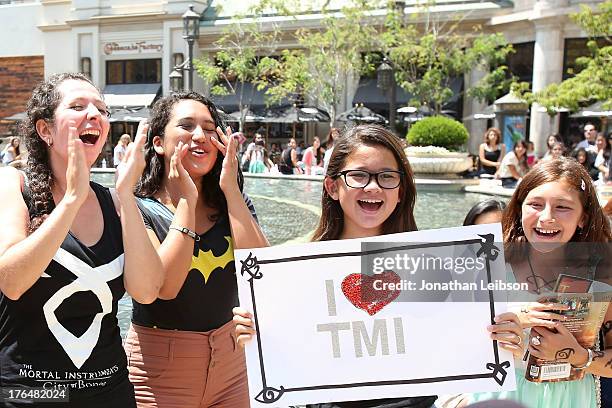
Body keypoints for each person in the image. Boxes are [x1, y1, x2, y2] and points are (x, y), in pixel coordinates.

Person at [235, 124, 521, 408]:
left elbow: (464, 344)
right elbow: (287, 358)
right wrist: (258, 334)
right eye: (358, 176)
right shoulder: (295, 275)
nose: (373, 187)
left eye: (386, 177)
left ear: (400, 191)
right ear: (332, 187)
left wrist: (501, 337)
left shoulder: (435, 266)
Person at [0, 72, 163, 407]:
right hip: (31, 394)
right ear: (44, 130)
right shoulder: (12, 185)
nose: (95, 115)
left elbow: (146, 291)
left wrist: (127, 197)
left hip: (110, 392)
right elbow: (12, 281)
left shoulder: (116, 203)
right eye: (77, 106)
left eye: (102, 110)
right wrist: (72, 198)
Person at [126, 91, 269, 408]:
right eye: (187, 126)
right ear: (160, 143)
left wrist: (231, 190)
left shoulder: (234, 203)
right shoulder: (137, 208)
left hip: (233, 365)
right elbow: (164, 287)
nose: (200, 136)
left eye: (208, 127)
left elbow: (263, 270)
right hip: (160, 373)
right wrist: (187, 204)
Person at [465, 157, 612, 408]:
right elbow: (446, 334)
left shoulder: (602, 275)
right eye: (535, 204)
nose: (546, 217)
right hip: (499, 395)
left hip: (571, 398)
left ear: (583, 218)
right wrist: (510, 317)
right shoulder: (490, 263)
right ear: (520, 207)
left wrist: (577, 356)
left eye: (562, 207)